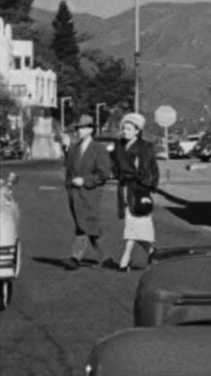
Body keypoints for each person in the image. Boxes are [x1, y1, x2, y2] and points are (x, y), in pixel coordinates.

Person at [63, 115, 113, 268]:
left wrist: (85, 181)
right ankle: (105, 258)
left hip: (91, 193)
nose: (79, 130)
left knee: (86, 225)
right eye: (78, 128)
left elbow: (104, 173)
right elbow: (68, 171)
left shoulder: (99, 149)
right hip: (75, 195)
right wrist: (69, 187)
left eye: (83, 127)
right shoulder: (73, 148)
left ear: (91, 129)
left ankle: (75, 258)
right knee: (86, 225)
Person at [113, 112, 158, 271]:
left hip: (139, 191)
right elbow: (115, 166)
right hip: (125, 190)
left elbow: (149, 169)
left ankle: (124, 260)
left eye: (129, 129)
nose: (126, 132)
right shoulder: (119, 145)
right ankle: (152, 254)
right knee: (137, 228)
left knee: (133, 226)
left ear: (137, 131)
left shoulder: (145, 147)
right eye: (124, 129)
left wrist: (146, 184)